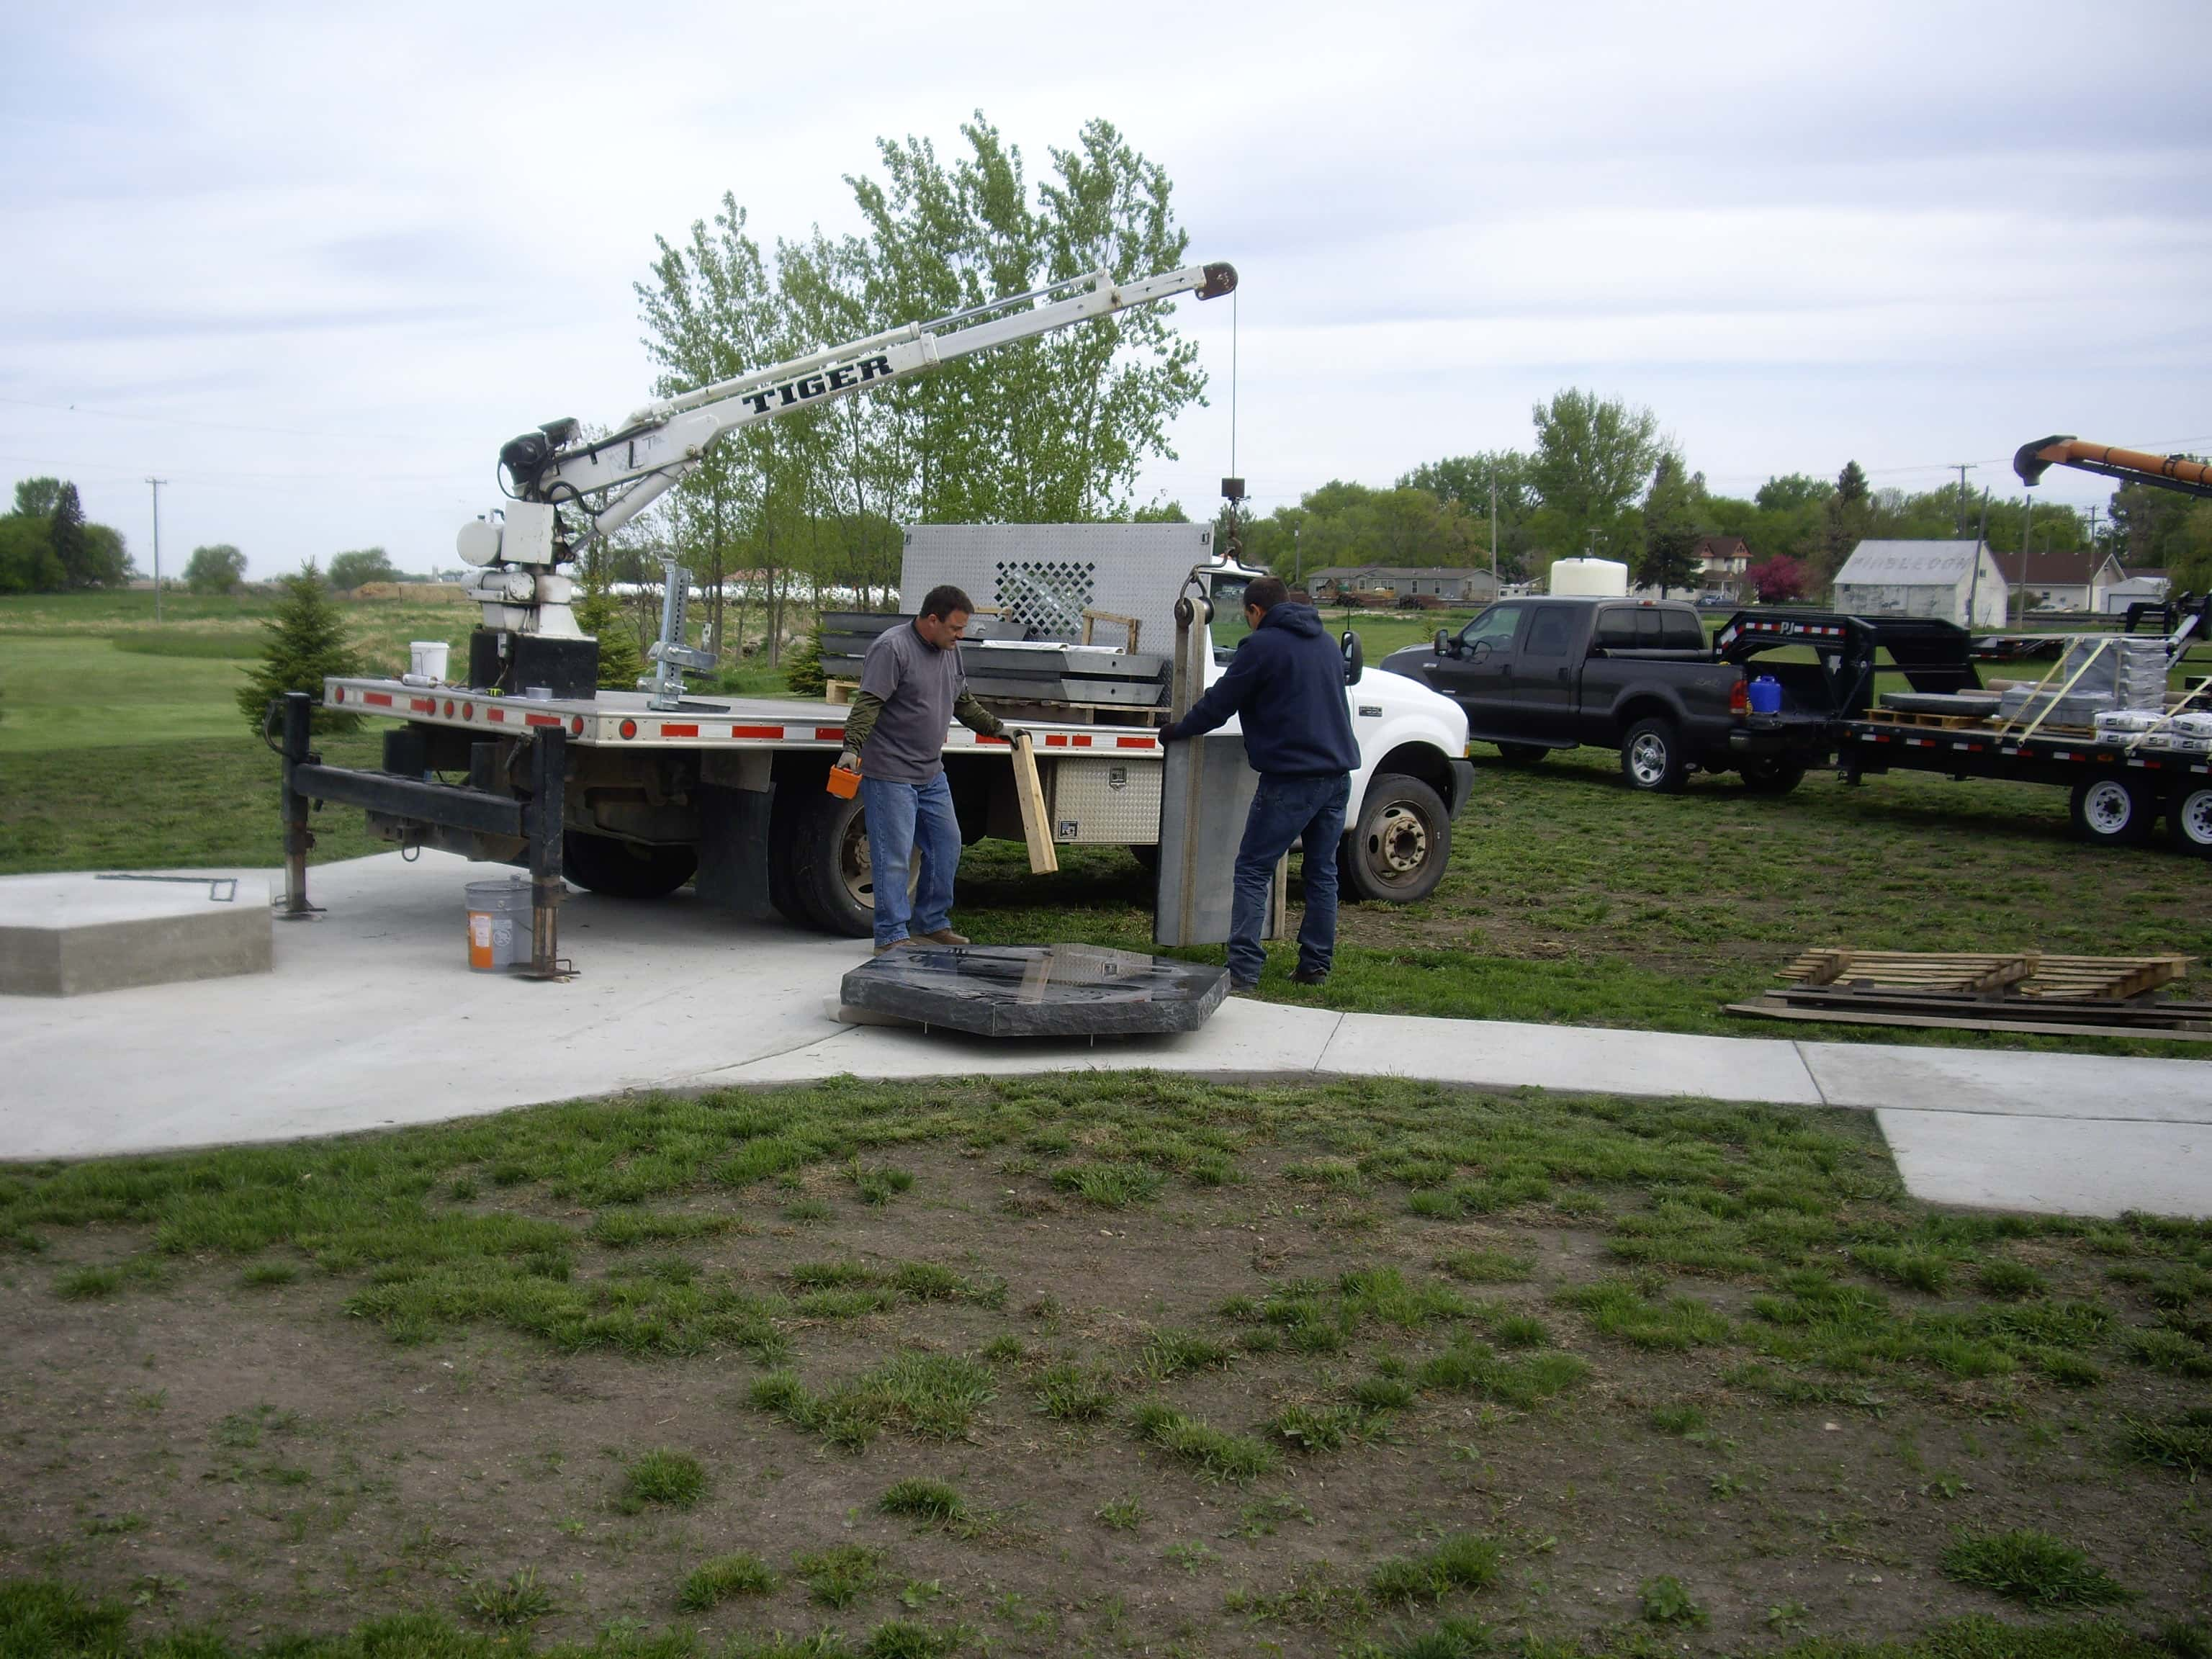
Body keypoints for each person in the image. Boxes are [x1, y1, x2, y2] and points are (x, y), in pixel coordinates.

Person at [1158, 575, 1358, 992]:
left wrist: (1177, 730)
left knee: (1253, 869)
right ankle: (1314, 967)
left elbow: (1220, 703)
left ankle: (1244, 971)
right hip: (1337, 776)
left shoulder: (1261, 647)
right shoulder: (1323, 642)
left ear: (1255, 611)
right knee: (1322, 872)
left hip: (1291, 780)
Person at [835, 585, 1010, 953]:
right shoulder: (892, 648)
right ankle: (890, 936)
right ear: (932, 620)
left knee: (947, 845)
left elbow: (963, 701)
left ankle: (931, 925)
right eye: (955, 628)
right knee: (893, 856)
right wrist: (851, 748)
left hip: (931, 773)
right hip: (890, 773)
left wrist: (999, 728)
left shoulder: (950, 652)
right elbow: (869, 703)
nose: (961, 636)